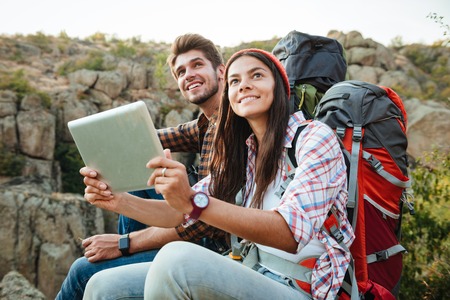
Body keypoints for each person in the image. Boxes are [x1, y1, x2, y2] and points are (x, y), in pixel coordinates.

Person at [82, 48, 355, 299]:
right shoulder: (245, 153)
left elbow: (288, 234)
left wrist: (191, 201)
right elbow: (178, 214)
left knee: (177, 259)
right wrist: (117, 200)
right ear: (230, 97)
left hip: (301, 288)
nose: (244, 84)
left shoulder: (314, 138)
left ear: (280, 88)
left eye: (257, 75)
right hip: (250, 270)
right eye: (234, 81)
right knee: (103, 286)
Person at [55, 33, 228, 300]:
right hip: (196, 220)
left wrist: (123, 244)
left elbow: (198, 223)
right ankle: (135, 267)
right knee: (142, 168)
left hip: (213, 244)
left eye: (197, 65)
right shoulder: (206, 125)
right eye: (181, 71)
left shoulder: (232, 127)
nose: (188, 75)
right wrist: (103, 149)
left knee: (82, 271)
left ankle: (128, 262)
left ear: (221, 71)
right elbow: (151, 137)